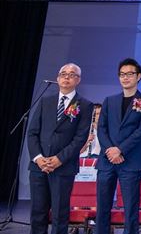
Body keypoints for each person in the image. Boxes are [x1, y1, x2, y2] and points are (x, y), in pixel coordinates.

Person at [27, 63, 93, 234]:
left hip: (64, 167)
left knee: (59, 214)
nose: (66, 77)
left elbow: (80, 138)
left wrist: (59, 159)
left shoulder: (85, 105)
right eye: (63, 74)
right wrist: (38, 158)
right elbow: (32, 133)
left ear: (78, 80)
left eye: (71, 74)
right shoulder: (45, 101)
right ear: (57, 78)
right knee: (38, 213)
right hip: (39, 167)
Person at [96, 58, 141, 234]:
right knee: (103, 207)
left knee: (130, 208)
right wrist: (110, 150)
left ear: (139, 76)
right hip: (107, 161)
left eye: (130, 74)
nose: (125, 78)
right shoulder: (109, 100)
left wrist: (120, 150)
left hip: (130, 161)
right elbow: (101, 129)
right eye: (122, 74)